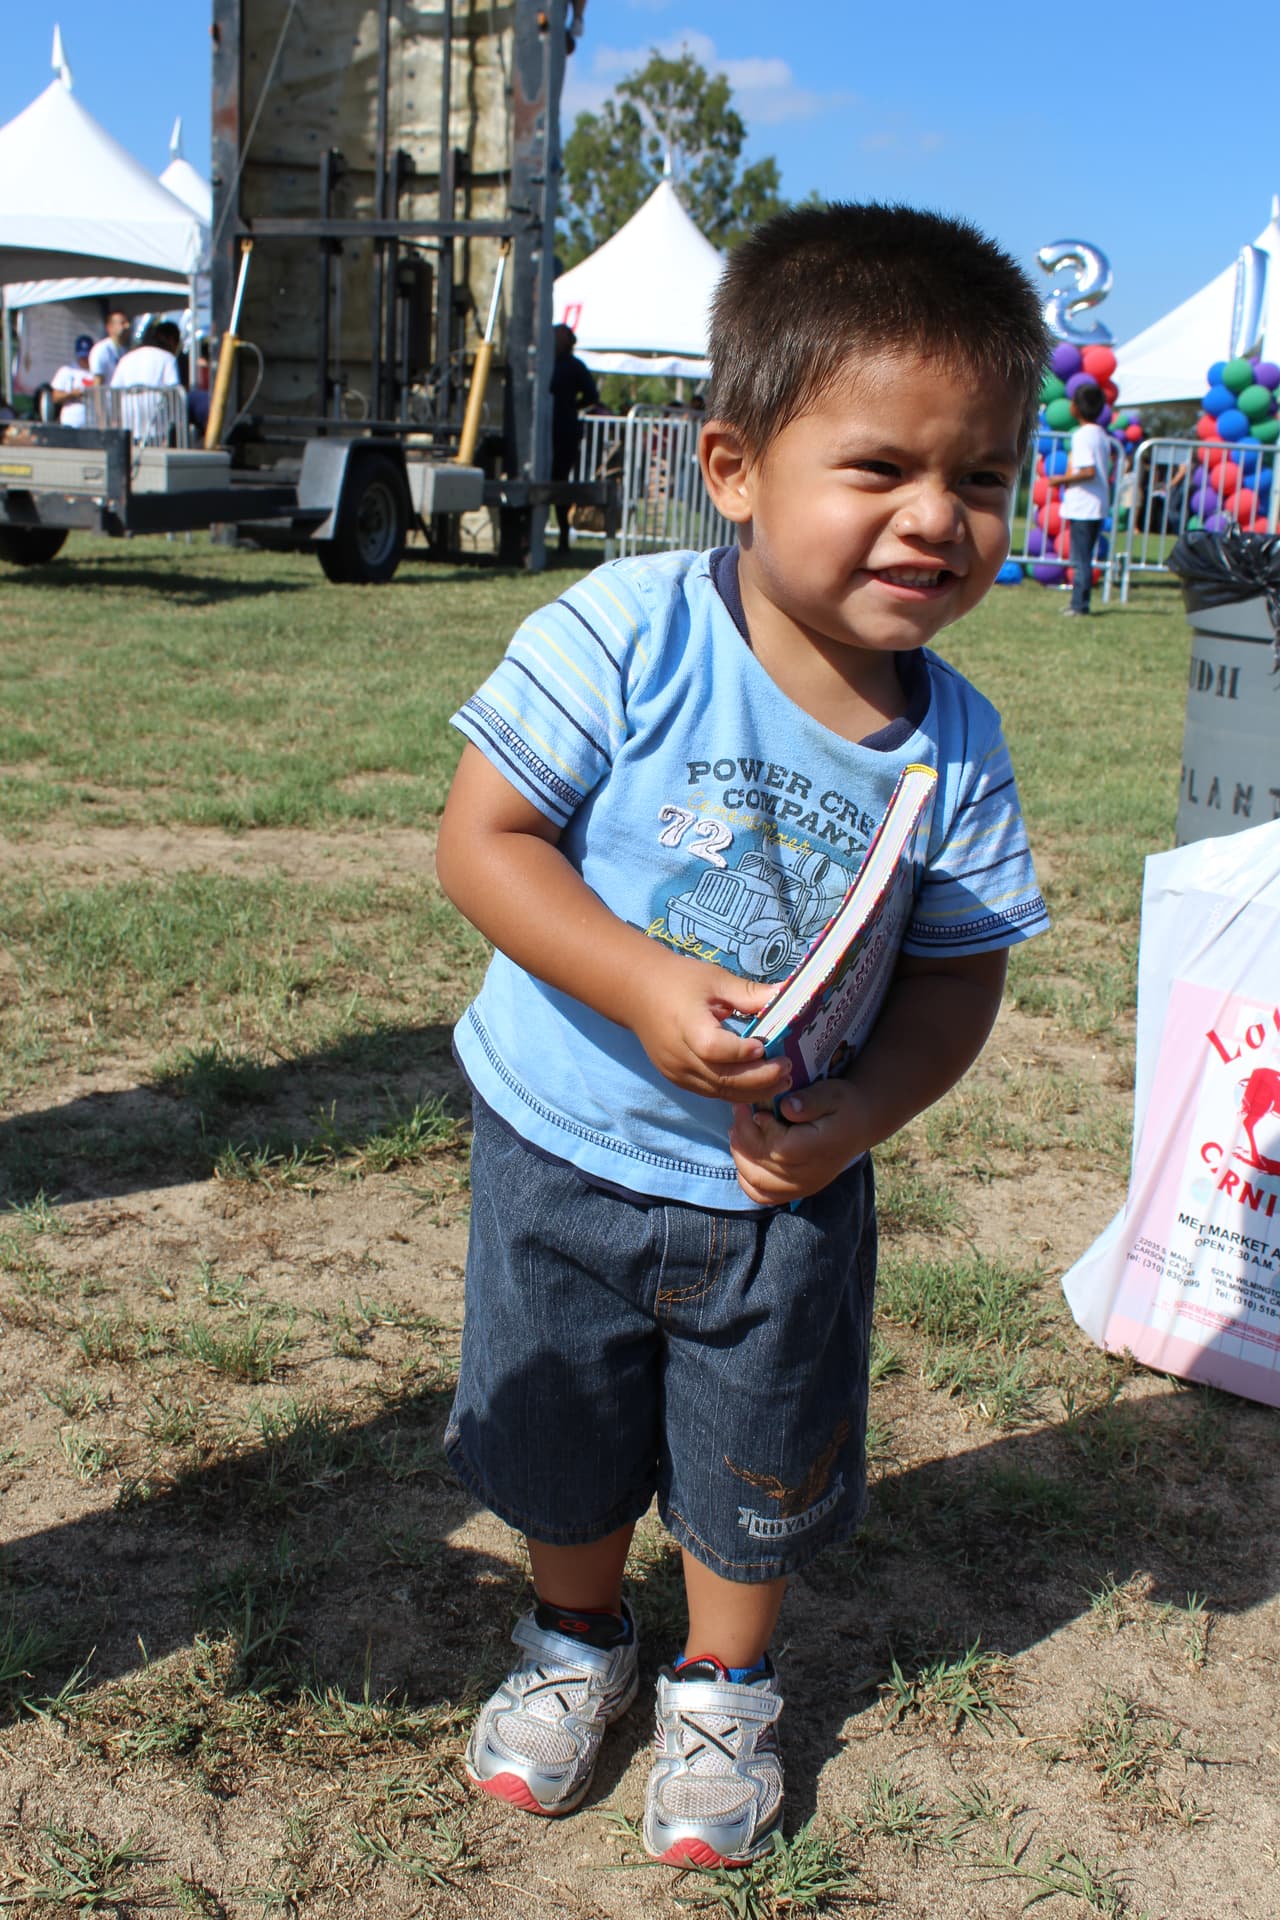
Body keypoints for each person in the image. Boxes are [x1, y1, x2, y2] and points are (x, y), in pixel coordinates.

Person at [435, 202, 1051, 1871]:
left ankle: (725, 1677)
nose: (937, 517)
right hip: (562, 1141)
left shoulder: (959, 752)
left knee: (754, 1455)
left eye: (982, 478)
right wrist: (638, 981)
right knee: (553, 1432)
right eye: (882, 469)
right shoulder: (624, 634)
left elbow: (955, 978)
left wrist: (860, 1116)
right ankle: (574, 1641)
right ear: (733, 467)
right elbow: (482, 840)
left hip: (781, 1186)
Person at [1044, 379, 1112, 615]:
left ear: (1076, 408)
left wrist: (1060, 480)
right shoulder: (1100, 434)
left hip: (1085, 505)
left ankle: (1079, 605)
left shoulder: (1083, 435)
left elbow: (1087, 471)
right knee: (1084, 557)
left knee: (1080, 558)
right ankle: (1080, 602)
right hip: (1096, 504)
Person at [550, 322, 600, 559]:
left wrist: (570, 408)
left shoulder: (575, 367)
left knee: (560, 484)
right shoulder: (542, 363)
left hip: (563, 431)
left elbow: (592, 395)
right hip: (542, 430)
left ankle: (562, 535)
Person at [110, 321, 183, 445]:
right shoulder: (168, 358)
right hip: (156, 426)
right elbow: (174, 391)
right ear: (171, 340)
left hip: (128, 424)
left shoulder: (126, 358)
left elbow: (113, 391)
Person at [49, 335, 96, 427]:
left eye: (87, 356)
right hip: (71, 421)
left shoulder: (97, 372)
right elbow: (55, 397)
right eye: (82, 356)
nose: (84, 359)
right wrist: (72, 394)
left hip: (92, 422)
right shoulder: (67, 371)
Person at [88, 308, 130, 385]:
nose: (127, 326)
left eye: (127, 322)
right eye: (123, 323)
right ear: (110, 327)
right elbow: (97, 382)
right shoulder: (101, 350)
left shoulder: (125, 350)